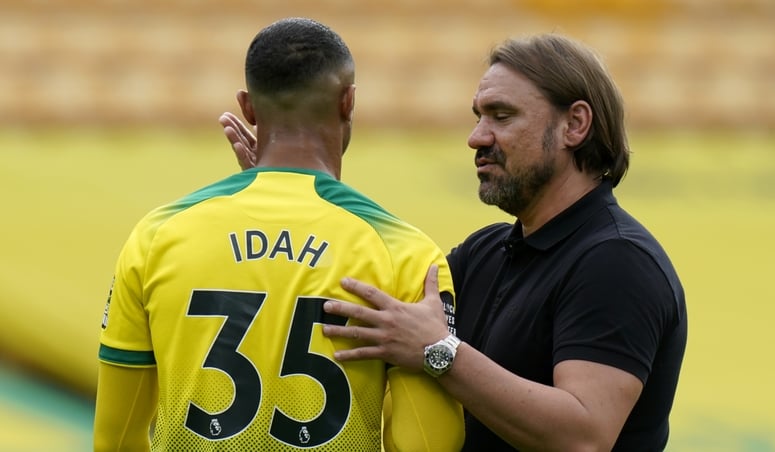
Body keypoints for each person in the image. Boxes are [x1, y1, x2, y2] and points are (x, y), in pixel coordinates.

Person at [221, 32, 688, 452]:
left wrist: (440, 353)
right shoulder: (488, 251)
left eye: (501, 116)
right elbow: (377, 300)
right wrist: (291, 190)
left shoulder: (617, 260)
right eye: (478, 117)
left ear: (575, 125)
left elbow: (583, 435)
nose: (476, 137)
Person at [93, 17, 464, 452]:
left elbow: (115, 440)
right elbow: (429, 444)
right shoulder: (407, 253)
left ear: (248, 107)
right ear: (348, 101)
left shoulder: (157, 234)